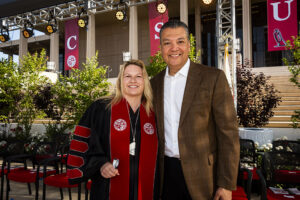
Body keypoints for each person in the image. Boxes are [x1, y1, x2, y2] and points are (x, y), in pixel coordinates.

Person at [150, 20, 240, 200]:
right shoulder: (154, 84)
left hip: (204, 177)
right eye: (167, 43)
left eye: (180, 41)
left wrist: (226, 183)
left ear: (189, 45)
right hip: (165, 175)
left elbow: (228, 135)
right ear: (160, 48)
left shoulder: (213, 77)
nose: (174, 48)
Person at [67, 59, 159, 200]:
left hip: (147, 188)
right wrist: (101, 164)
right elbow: (85, 143)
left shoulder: (154, 112)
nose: (133, 80)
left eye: (138, 76)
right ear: (120, 80)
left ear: (145, 80)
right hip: (107, 188)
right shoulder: (101, 108)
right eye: (127, 76)